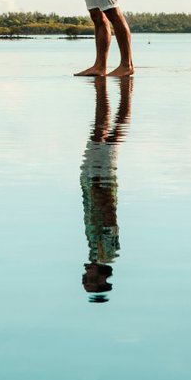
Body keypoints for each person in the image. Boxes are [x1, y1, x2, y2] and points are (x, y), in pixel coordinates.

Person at [80, 77, 132, 302]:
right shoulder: (107, 253)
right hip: (99, 181)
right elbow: (110, 218)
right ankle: (125, 96)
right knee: (105, 134)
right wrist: (100, 185)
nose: (84, 278)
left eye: (86, 282)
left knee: (103, 135)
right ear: (102, 278)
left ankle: (122, 96)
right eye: (91, 282)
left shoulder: (97, 253)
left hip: (95, 181)